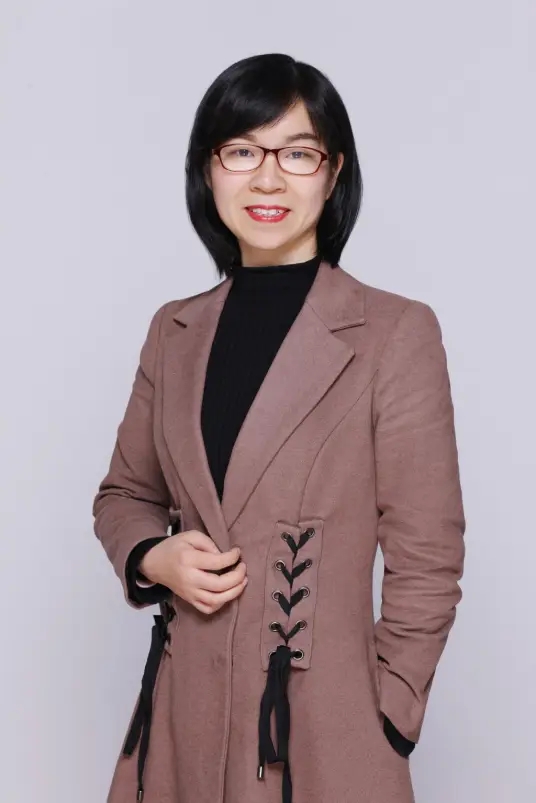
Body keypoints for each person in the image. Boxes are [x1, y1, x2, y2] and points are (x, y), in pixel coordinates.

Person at [92, 52, 466, 803]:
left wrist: (387, 715)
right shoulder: (174, 331)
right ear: (208, 170)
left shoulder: (393, 332)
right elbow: (124, 494)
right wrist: (153, 556)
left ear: (333, 173)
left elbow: (429, 551)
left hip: (323, 732)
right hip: (181, 721)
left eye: (297, 153)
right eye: (242, 151)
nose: (267, 179)